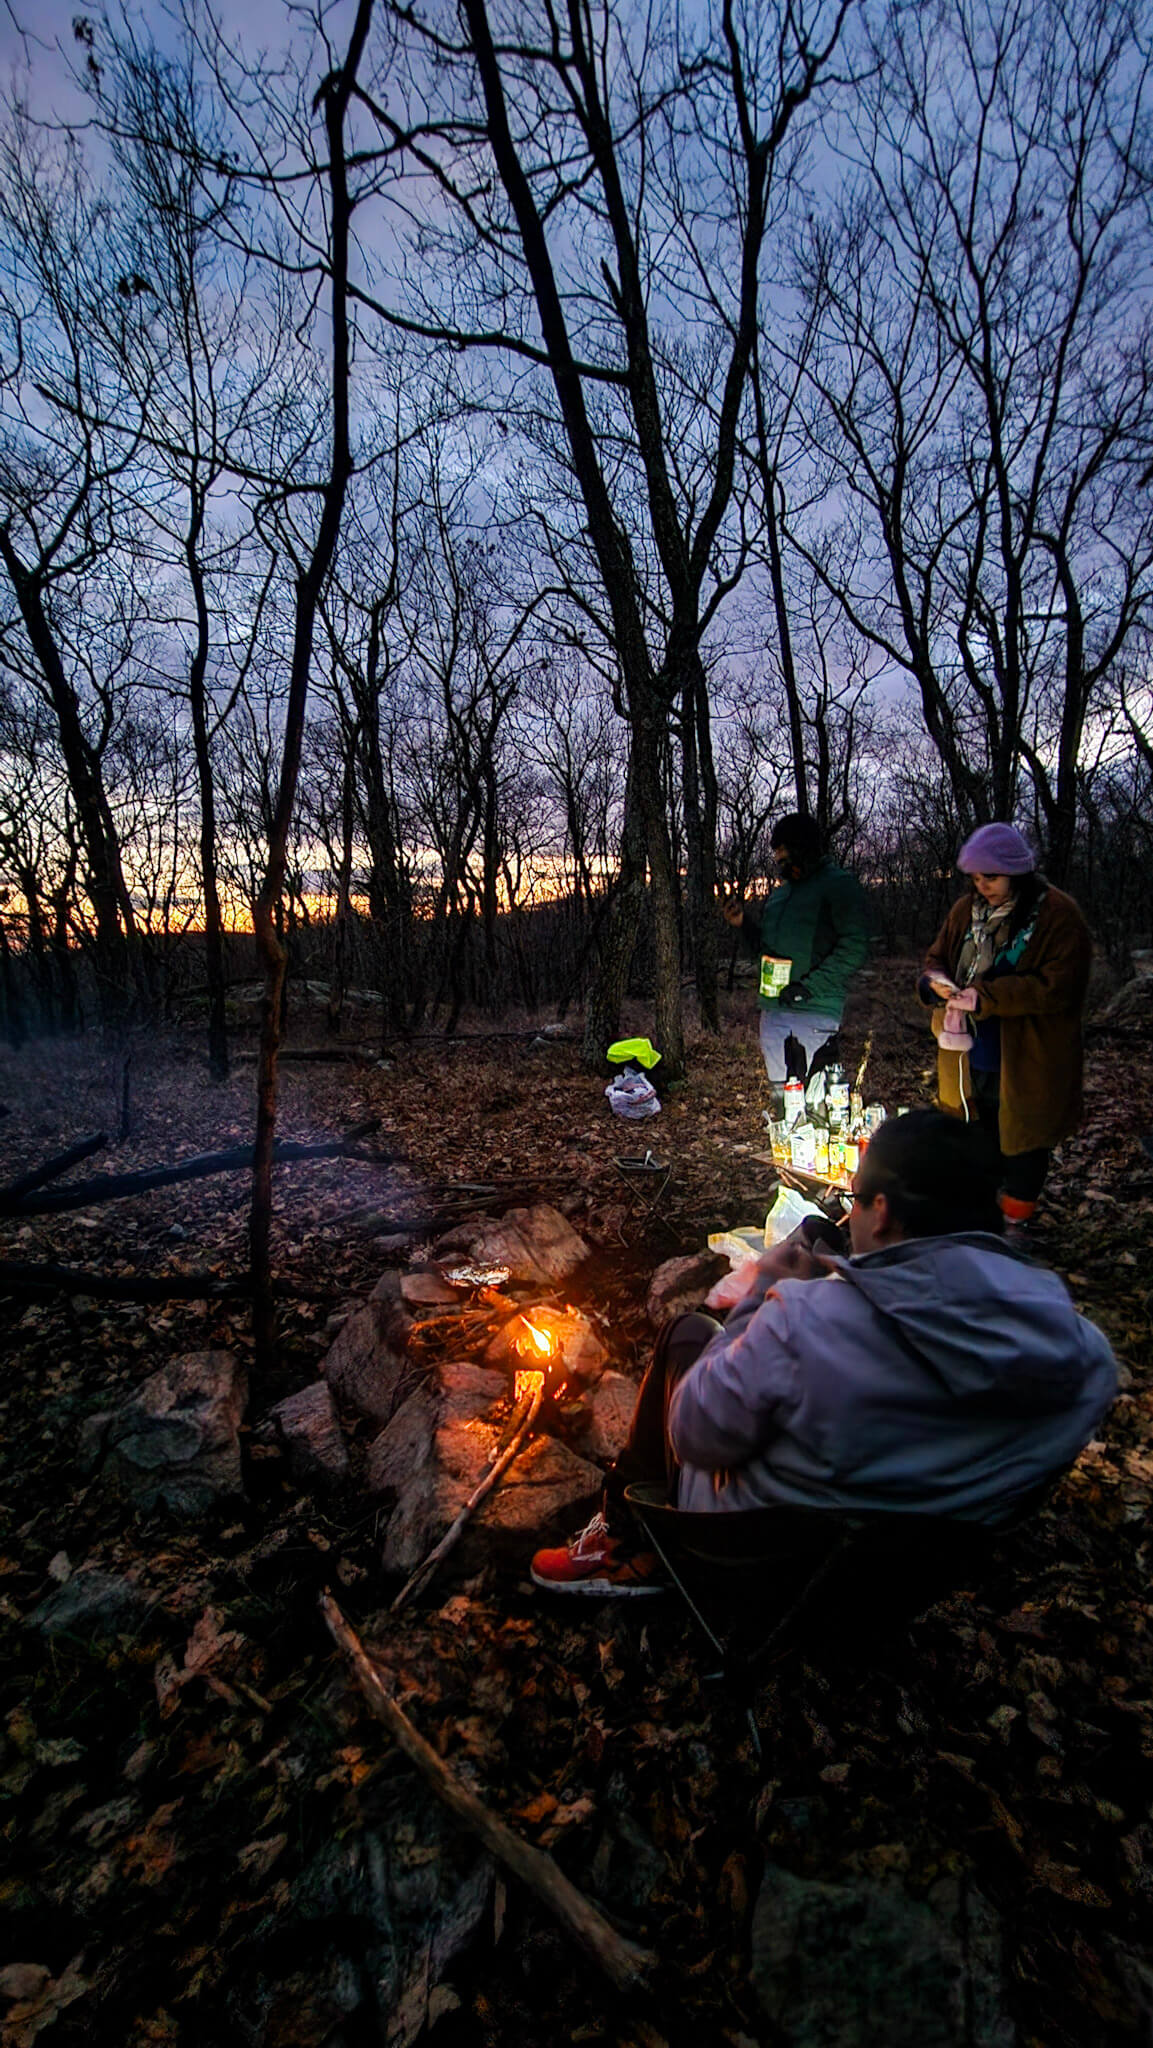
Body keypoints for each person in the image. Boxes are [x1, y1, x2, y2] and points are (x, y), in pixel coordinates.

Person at [530, 1111, 1117, 1595]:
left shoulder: (806, 1324)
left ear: (882, 1211)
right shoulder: (1080, 1354)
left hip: (764, 1559)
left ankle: (624, 1541)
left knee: (687, 1335)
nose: (849, 1214)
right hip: (906, 1580)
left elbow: (693, 1435)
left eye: (855, 1199)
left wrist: (763, 1294)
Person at [918, 823, 1091, 1228]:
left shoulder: (1057, 916)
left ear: (1017, 872)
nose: (982, 886)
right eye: (975, 878)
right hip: (965, 1049)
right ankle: (980, 1218)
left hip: (1028, 1054)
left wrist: (987, 997)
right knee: (973, 1132)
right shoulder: (965, 911)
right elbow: (936, 958)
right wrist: (934, 984)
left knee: (1024, 1142)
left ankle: (1017, 1225)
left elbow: (1058, 988)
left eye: (990, 877)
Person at [722, 814, 868, 1106]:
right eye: (777, 856)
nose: (780, 863)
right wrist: (743, 925)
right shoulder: (780, 896)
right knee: (783, 1101)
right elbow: (767, 951)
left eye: (784, 855)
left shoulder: (839, 885)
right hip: (774, 1011)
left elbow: (854, 946)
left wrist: (808, 987)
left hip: (815, 1010)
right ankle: (787, 1151)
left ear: (804, 848)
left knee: (817, 1103)